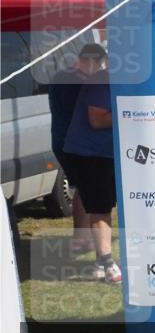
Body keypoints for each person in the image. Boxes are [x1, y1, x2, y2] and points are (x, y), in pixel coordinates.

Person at [62, 49, 120, 283]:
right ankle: (107, 264)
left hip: (106, 152)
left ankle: (99, 261)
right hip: (90, 153)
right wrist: (132, 113)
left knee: (106, 204)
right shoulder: (101, 80)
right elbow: (96, 120)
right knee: (100, 207)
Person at [48, 43, 106, 254]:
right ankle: (82, 239)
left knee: (82, 188)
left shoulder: (60, 77)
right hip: (76, 143)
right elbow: (91, 115)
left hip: (60, 140)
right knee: (87, 189)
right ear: (90, 61)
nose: (99, 69)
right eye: (99, 65)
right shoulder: (81, 83)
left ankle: (81, 237)